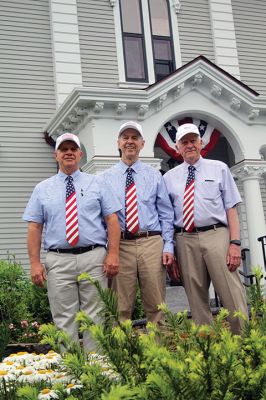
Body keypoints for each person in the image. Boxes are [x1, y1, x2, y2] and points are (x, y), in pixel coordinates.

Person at [23, 132, 121, 351]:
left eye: (72, 149)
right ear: (56, 155)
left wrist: (113, 254)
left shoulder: (98, 183)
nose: (68, 153)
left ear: (79, 153)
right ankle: (72, 371)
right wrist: (35, 263)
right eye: (63, 149)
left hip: (94, 257)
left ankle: (95, 370)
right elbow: (34, 227)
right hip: (58, 260)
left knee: (94, 316)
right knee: (64, 318)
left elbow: (112, 220)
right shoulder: (42, 189)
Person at [163, 123, 248, 334]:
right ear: (177, 147)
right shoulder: (168, 178)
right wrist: (171, 249)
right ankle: (208, 350)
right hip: (185, 239)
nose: (190, 145)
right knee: (196, 297)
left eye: (193, 140)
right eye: (185, 142)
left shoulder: (219, 168)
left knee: (231, 293)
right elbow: (168, 217)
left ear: (201, 143)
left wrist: (235, 244)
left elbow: (231, 209)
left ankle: (246, 343)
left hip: (216, 234)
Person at [102, 121, 175, 324]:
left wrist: (168, 245)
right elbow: (102, 218)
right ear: (118, 143)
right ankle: (122, 353)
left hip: (150, 242)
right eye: (125, 138)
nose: (130, 142)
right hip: (120, 245)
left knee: (156, 304)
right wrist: (107, 250)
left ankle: (157, 353)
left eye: (135, 138)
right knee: (120, 306)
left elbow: (166, 214)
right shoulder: (105, 179)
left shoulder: (155, 176)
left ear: (142, 143)